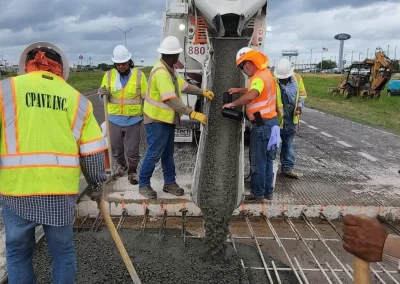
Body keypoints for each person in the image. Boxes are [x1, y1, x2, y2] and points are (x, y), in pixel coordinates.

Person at [0, 41, 108, 283]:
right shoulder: (77, 100)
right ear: (60, 68)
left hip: (16, 190)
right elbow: (91, 154)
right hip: (59, 192)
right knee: (62, 253)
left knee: (18, 254)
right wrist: (96, 185)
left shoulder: (5, 91)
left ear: (27, 66)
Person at [139, 36, 214, 199]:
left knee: (167, 153)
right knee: (154, 152)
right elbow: (170, 99)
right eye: (177, 54)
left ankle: (169, 183)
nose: (178, 57)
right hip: (156, 120)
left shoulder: (170, 70)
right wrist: (191, 113)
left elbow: (184, 86)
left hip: (167, 120)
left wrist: (202, 92)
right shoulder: (161, 73)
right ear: (172, 55)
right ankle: (143, 184)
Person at [224, 47, 279, 201]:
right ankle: (267, 192)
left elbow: (254, 93)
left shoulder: (258, 78)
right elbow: (255, 89)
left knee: (258, 162)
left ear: (248, 63)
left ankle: (257, 194)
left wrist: (232, 104)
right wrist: (240, 89)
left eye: (242, 67)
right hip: (271, 124)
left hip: (262, 126)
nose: (243, 71)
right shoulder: (266, 74)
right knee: (268, 161)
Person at [98, 45, 148, 184]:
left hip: (133, 120)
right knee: (116, 148)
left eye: (124, 63)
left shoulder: (139, 75)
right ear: (115, 64)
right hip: (114, 119)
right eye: (118, 64)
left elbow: (146, 97)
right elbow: (102, 97)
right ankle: (121, 165)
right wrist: (103, 94)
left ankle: (132, 171)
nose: (121, 66)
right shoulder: (108, 76)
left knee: (132, 149)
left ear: (129, 62)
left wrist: (150, 114)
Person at [273, 58, 307, 179]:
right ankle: (270, 168)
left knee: (289, 144)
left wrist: (299, 106)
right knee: (272, 145)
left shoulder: (297, 79)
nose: (282, 79)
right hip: (277, 120)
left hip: (292, 118)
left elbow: (302, 94)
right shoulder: (273, 80)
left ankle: (287, 168)